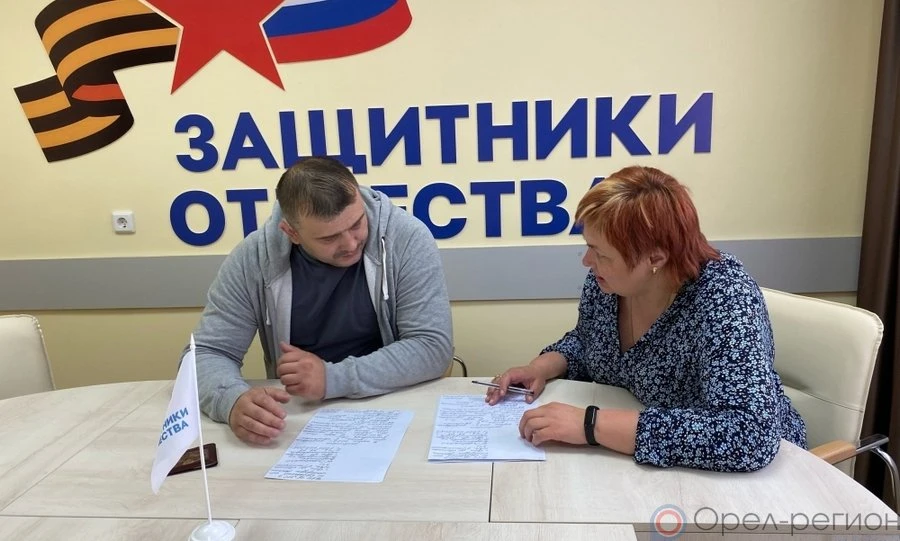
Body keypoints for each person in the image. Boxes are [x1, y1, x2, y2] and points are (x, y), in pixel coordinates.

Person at [485, 165, 806, 472]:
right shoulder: (606, 283)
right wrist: (539, 368)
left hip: (751, 478)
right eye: (589, 247)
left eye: (602, 254)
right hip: (647, 466)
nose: (587, 261)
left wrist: (591, 425)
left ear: (655, 258)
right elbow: (587, 341)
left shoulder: (724, 296)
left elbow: (749, 434)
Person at [185, 156, 453, 445]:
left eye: (357, 223)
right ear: (292, 233)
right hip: (298, 418)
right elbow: (207, 353)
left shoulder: (406, 238)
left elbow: (431, 346)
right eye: (329, 238)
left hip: (393, 403)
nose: (351, 244)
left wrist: (332, 378)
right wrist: (231, 399)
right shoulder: (254, 258)